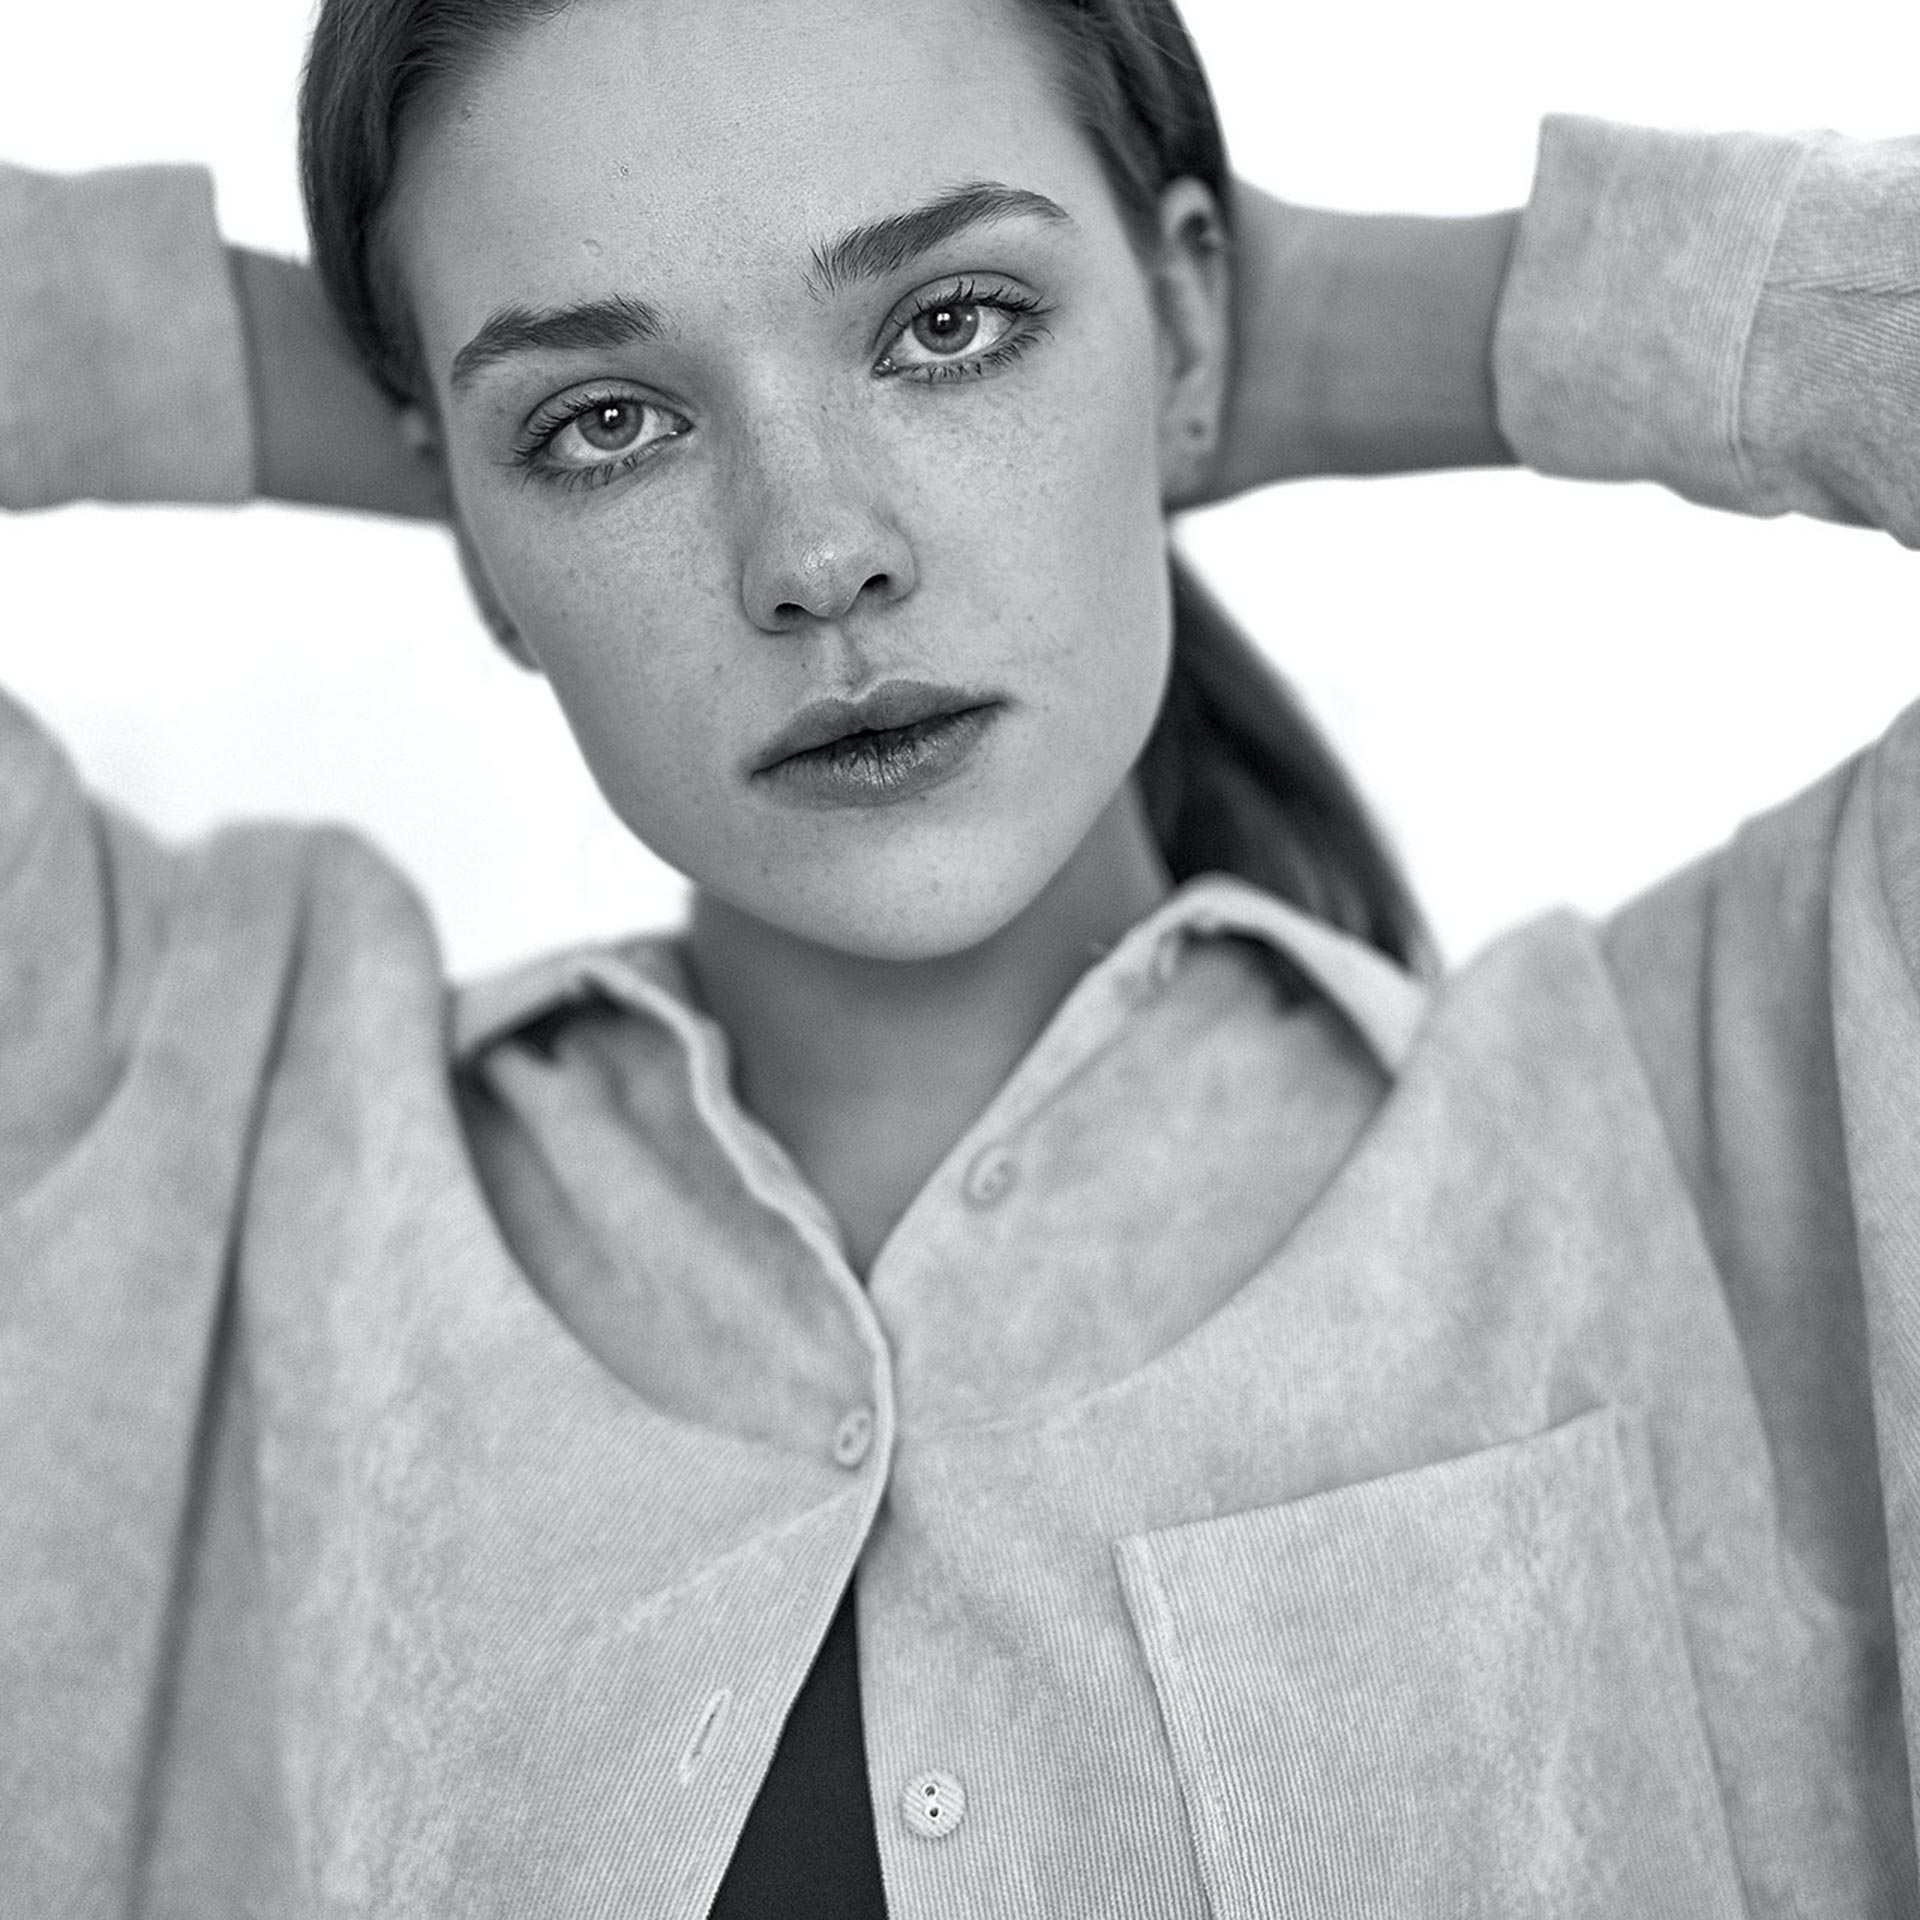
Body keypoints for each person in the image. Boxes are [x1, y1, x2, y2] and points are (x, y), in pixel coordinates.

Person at [2, 0, 1917, 1913]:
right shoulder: (193, 1147)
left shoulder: (1723, 1144)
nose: (814, 556)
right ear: (473, 536)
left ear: (1180, 321)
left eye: (952, 324)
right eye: (602, 426)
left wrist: (1315, 338)